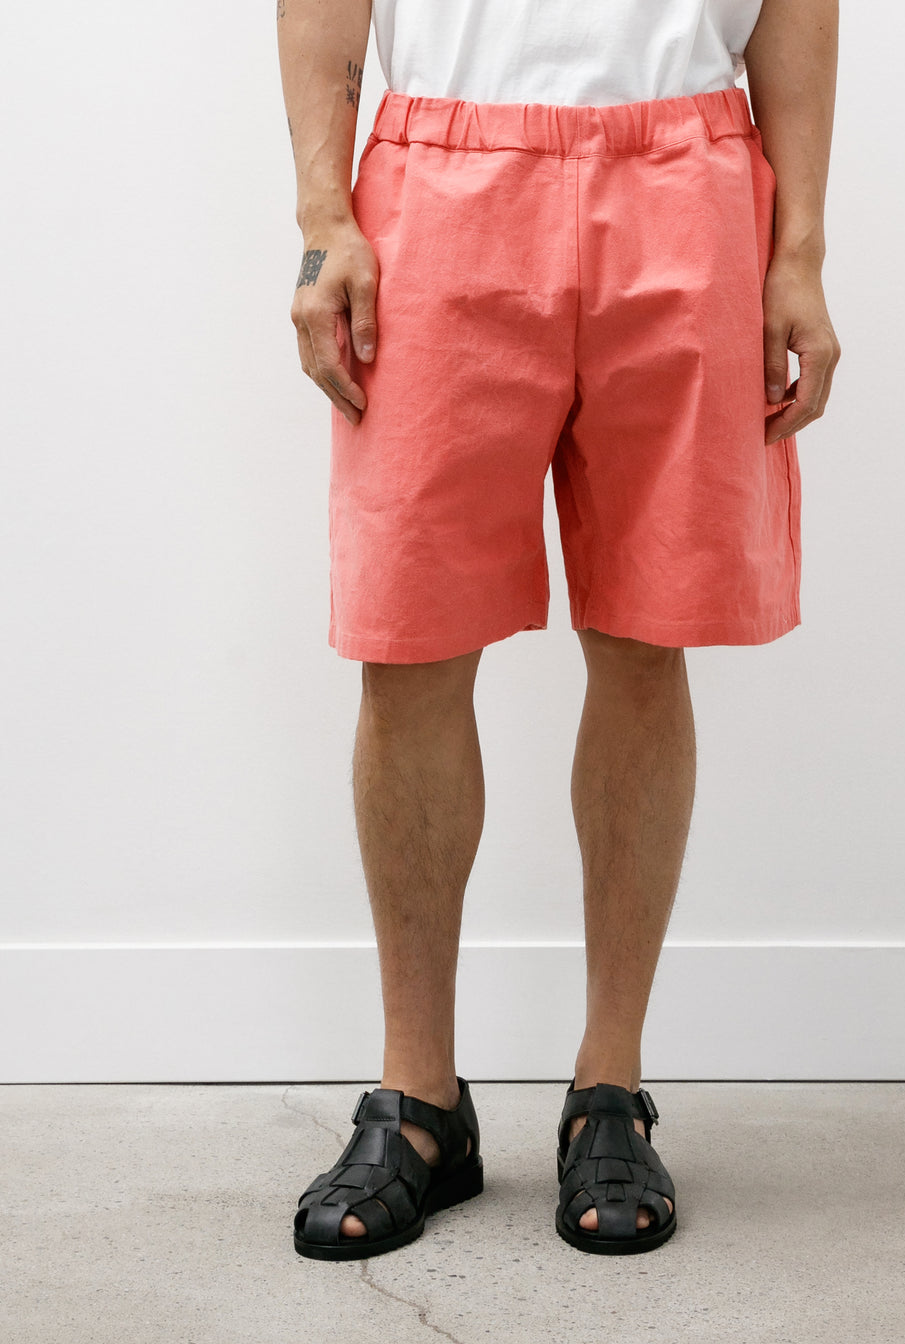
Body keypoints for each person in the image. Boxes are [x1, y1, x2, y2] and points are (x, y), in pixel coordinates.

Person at [277, 0, 840, 1259]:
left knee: (646, 635)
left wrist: (797, 250)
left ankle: (609, 1089)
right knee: (409, 647)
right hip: (436, 188)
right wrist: (323, 221)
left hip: (687, 176)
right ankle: (419, 1098)